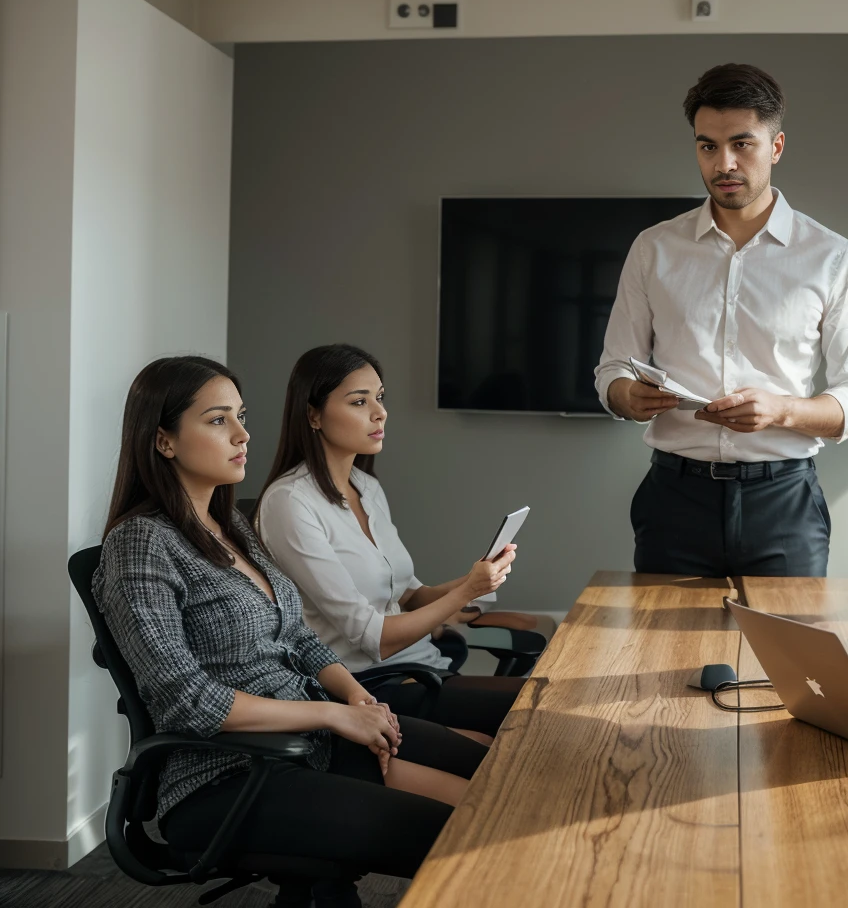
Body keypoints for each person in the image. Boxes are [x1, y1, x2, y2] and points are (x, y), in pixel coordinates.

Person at [94, 356, 485, 898]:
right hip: (227, 778)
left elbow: (298, 637)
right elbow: (188, 700)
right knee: (459, 837)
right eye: (217, 420)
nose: (241, 433)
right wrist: (332, 713)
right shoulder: (140, 544)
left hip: (308, 743)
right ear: (163, 441)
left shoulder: (229, 525)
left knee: (493, 787)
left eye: (242, 415)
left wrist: (357, 700)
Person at [593, 62, 848, 578]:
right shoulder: (653, 249)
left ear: (776, 147)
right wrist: (625, 396)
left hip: (784, 502)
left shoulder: (832, 257)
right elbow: (612, 368)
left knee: (786, 658)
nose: (723, 162)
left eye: (742, 144)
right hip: (673, 498)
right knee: (666, 657)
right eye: (707, 146)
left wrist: (781, 411)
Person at [258, 344, 528, 742]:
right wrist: (467, 590)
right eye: (359, 401)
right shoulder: (290, 503)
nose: (379, 412)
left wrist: (476, 581)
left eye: (380, 398)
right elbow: (373, 638)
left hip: (425, 666)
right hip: (373, 687)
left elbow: (410, 593)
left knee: (543, 706)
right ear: (313, 415)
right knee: (540, 708)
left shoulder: (367, 488)